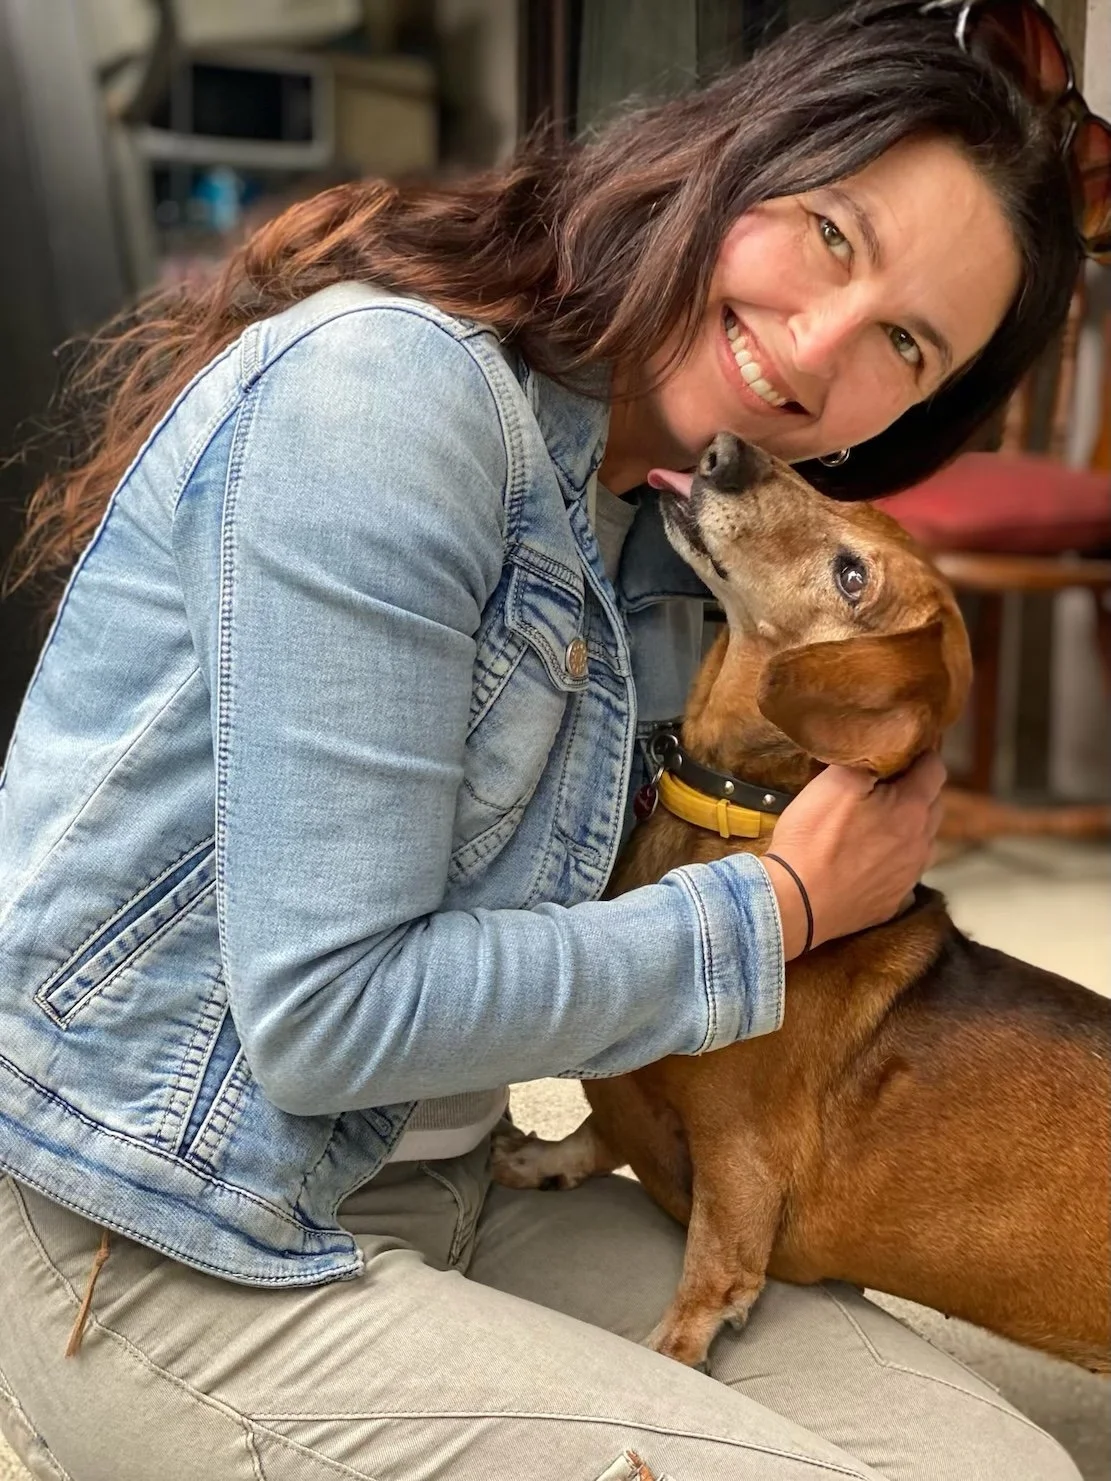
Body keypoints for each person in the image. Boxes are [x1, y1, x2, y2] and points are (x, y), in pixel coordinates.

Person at [1, 1, 1106, 1476]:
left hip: (452, 1189)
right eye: (832, 237)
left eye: (906, 341)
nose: (822, 343)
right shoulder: (388, 403)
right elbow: (326, 1017)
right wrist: (775, 912)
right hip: (167, 1230)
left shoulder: (669, 535)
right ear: (728, 161)